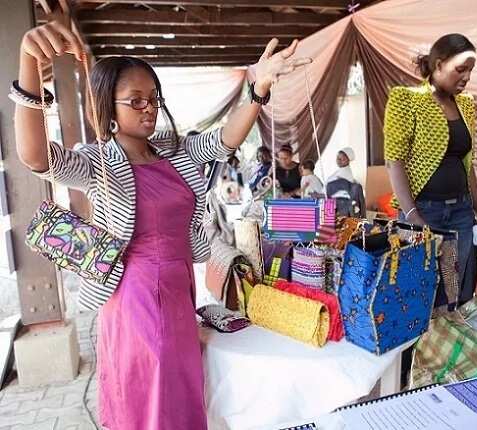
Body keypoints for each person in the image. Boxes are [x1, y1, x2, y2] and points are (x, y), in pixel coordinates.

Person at [13, 19, 309, 430]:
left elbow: (226, 139)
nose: (149, 107)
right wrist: (29, 65)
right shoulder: (99, 162)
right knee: (151, 399)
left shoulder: (176, 153)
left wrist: (258, 91)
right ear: (108, 107)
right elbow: (36, 158)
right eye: (135, 100)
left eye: (153, 98)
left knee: (176, 394)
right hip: (135, 297)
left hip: (178, 289)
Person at [384, 33, 477, 304]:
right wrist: (412, 215)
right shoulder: (406, 99)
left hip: (460, 212)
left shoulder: (466, 104)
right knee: (419, 290)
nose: (466, 77)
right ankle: (417, 346)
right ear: (439, 65)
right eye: (460, 69)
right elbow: (393, 160)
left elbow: (468, 162)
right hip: (423, 210)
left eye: (470, 71)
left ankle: (446, 344)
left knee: (454, 288)